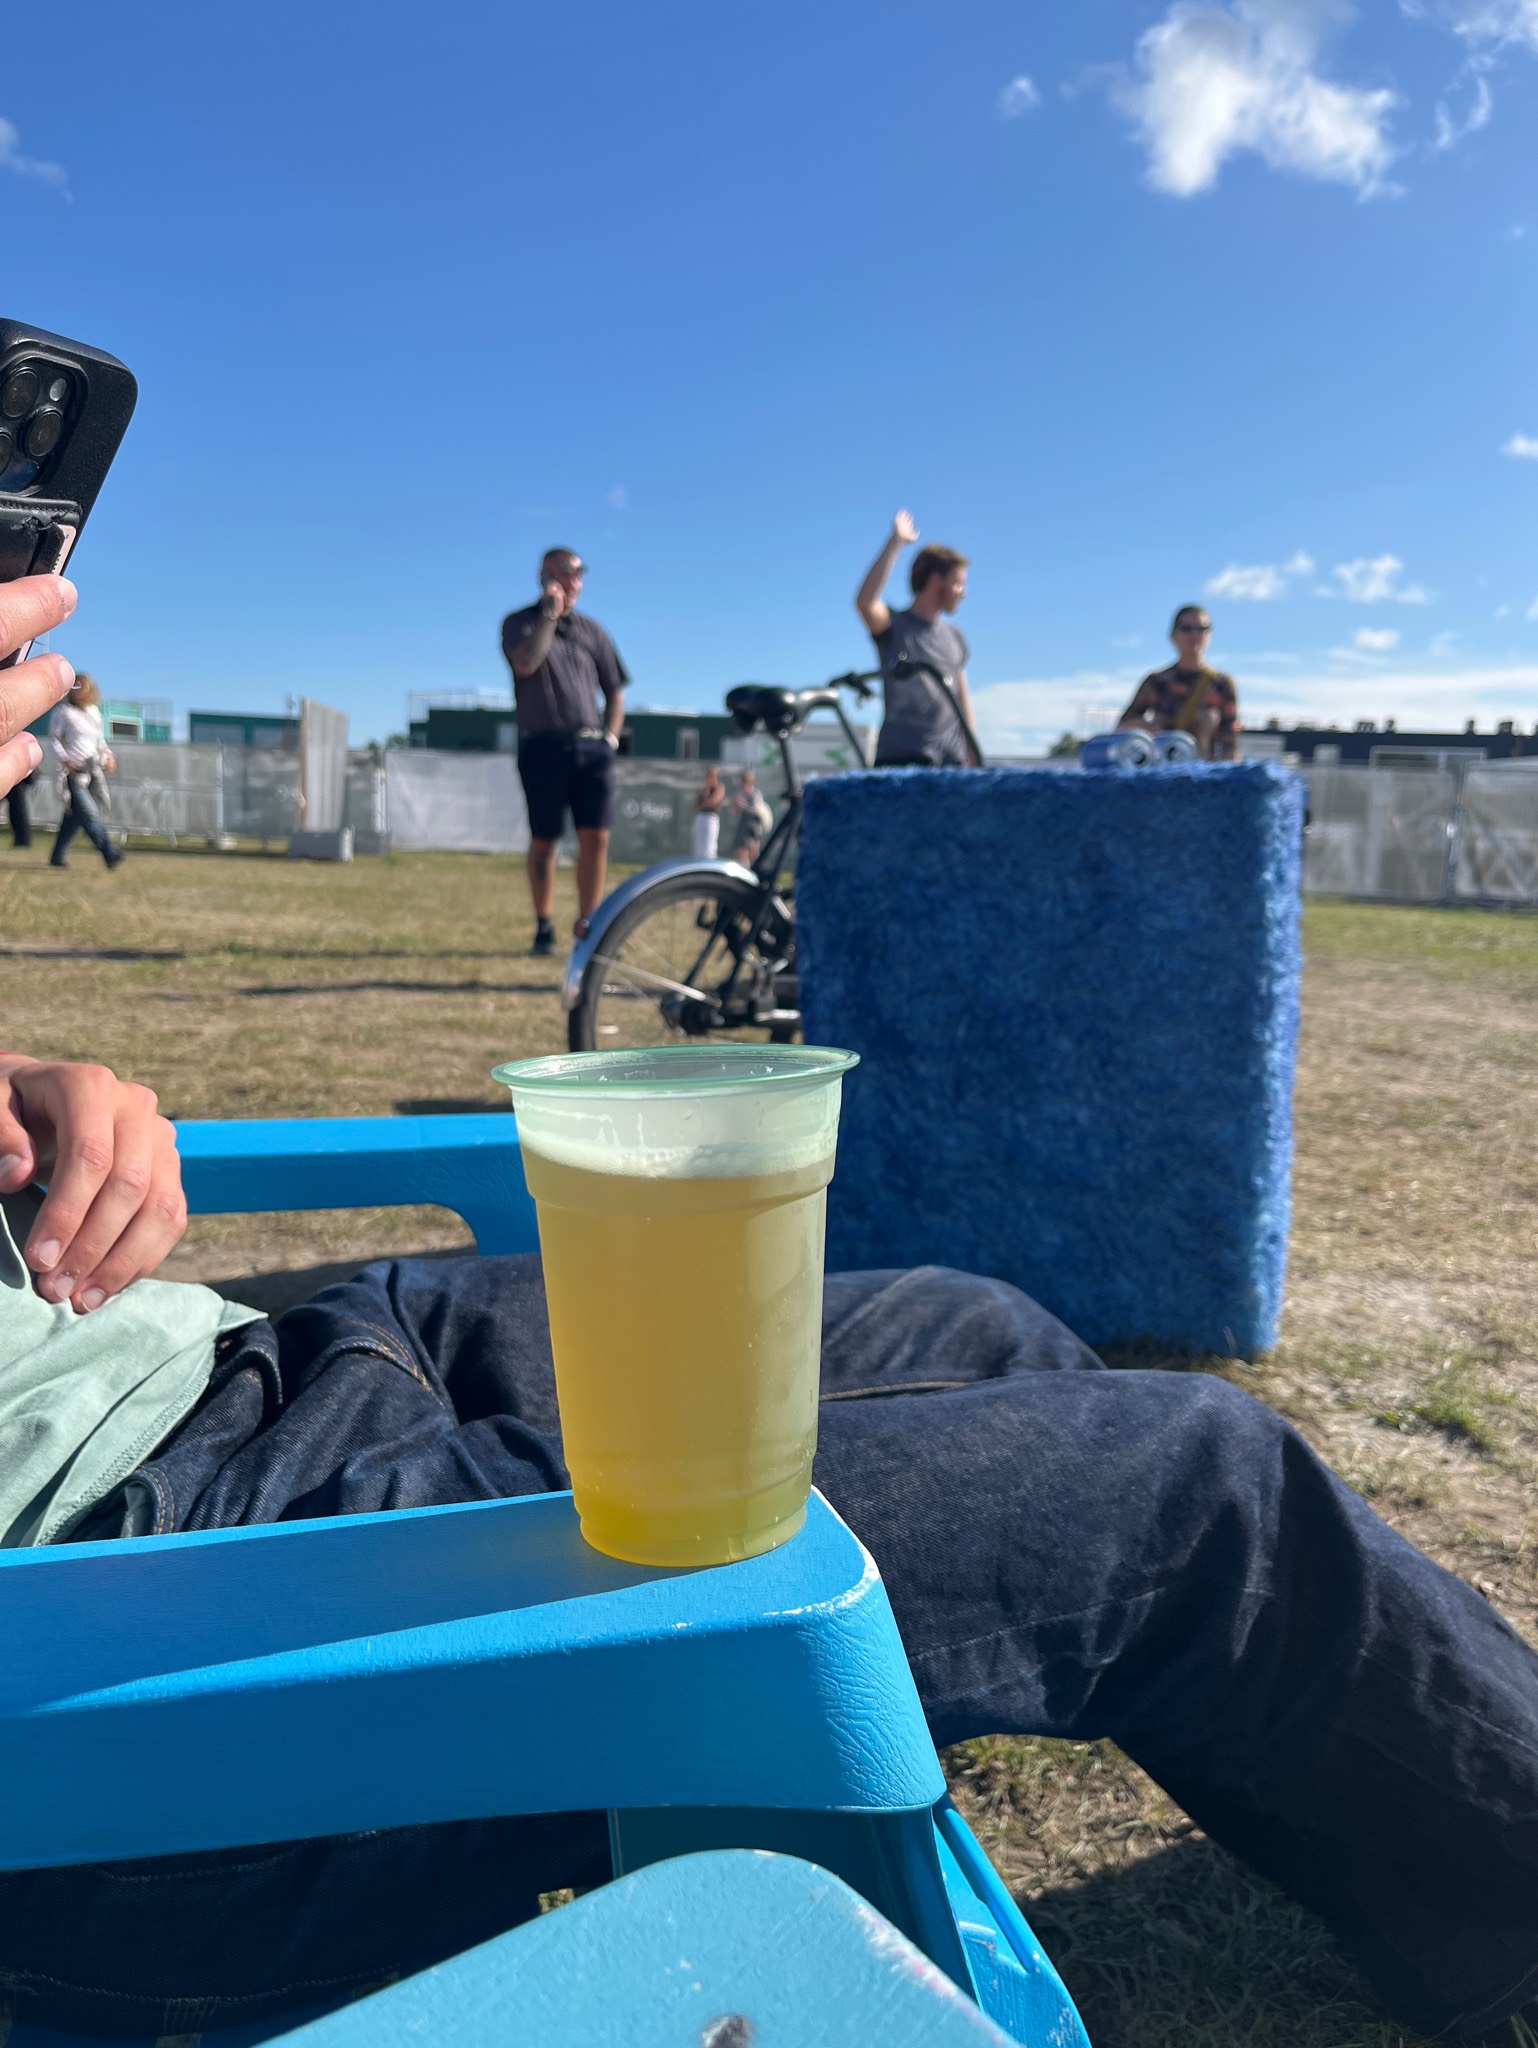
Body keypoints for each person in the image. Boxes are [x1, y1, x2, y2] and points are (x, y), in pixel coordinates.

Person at [4, 603, 1538, 2043]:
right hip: (137, 1605)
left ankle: (1363, 1821)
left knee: (976, 1318)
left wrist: (32, 1087)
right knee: (1197, 1487)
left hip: (239, 1356)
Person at [500, 550, 629, 957]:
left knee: (597, 837)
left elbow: (615, 689)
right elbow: (525, 664)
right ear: (545, 578)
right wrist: (549, 617)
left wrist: (610, 737)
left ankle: (590, 924)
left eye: (577, 575)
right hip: (542, 747)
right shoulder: (520, 623)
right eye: (564, 575)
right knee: (545, 839)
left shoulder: (594, 631)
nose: (572, 583)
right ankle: (543, 926)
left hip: (591, 747)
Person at [854, 510, 977, 768]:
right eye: (958, 583)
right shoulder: (894, 627)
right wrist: (895, 542)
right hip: (901, 761)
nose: (963, 593)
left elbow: (962, 701)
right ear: (935, 581)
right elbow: (865, 602)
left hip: (949, 764)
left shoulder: (955, 636)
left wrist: (974, 756)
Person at [1117, 605, 1240, 761]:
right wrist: (1151, 728)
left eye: (1202, 629)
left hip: (1205, 774)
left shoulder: (1222, 684)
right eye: (1187, 628)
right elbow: (1122, 727)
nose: (1195, 635)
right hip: (1163, 772)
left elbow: (1230, 742)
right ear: (1173, 635)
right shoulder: (1156, 682)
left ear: (1210, 635)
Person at [48, 671, 123, 870]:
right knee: (89, 813)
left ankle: (57, 856)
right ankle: (109, 851)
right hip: (73, 773)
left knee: (74, 817)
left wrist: (108, 757)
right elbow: (54, 740)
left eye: (82, 684)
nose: (78, 688)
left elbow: (100, 741)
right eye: (75, 684)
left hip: (93, 771)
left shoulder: (94, 713)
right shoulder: (62, 712)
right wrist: (65, 761)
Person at [728, 767, 772, 865]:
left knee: (754, 851)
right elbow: (733, 812)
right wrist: (734, 805)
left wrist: (743, 806)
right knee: (740, 850)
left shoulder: (755, 794)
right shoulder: (738, 794)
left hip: (753, 826)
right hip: (741, 826)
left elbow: (756, 810)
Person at [691, 763, 724, 858]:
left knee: (709, 847)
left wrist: (704, 801)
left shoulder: (719, 788)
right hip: (701, 817)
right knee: (698, 846)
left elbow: (712, 802)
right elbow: (695, 806)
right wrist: (704, 795)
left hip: (710, 819)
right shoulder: (704, 789)